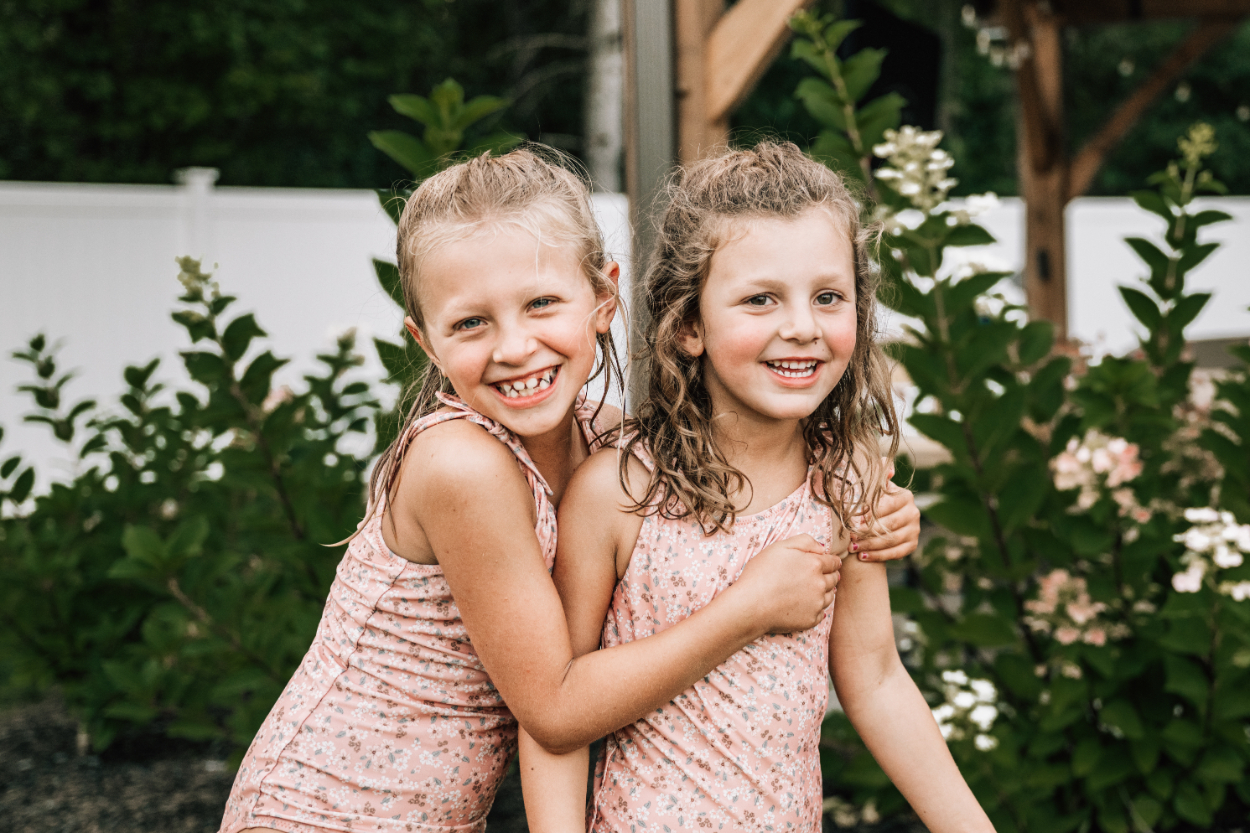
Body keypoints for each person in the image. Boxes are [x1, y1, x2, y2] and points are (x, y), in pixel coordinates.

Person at [220, 147, 919, 833]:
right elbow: (554, 706)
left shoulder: (601, 438)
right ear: (426, 342)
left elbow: (724, 468)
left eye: (542, 304)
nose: (515, 346)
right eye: (471, 322)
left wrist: (881, 514)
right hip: (322, 810)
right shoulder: (462, 465)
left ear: (603, 299)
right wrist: (749, 609)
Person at [537, 142, 992, 832]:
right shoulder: (618, 489)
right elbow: (557, 716)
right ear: (689, 324)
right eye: (760, 299)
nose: (803, 327)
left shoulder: (847, 476)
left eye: (828, 297)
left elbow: (874, 680)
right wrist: (746, 608)